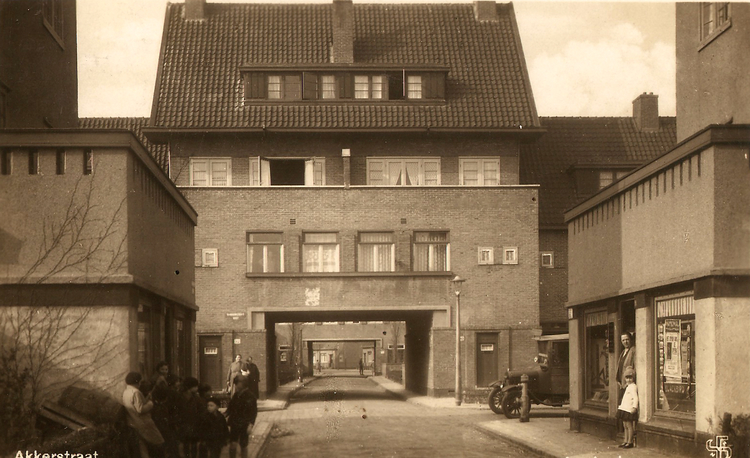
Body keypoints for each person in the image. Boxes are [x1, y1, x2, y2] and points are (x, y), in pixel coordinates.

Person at [122, 372, 164, 458]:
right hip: (144, 423)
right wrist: (150, 404)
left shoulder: (126, 392)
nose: (140, 383)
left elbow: (136, 405)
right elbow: (140, 409)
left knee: (142, 449)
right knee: (159, 442)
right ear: (137, 381)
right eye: (140, 381)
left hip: (133, 423)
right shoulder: (136, 392)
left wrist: (147, 398)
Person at [226, 375, 258, 458]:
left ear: (242, 384)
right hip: (234, 423)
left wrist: (251, 424)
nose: (235, 386)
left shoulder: (250, 396)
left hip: (244, 424)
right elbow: (230, 408)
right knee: (232, 444)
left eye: (237, 384)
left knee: (243, 445)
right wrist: (225, 415)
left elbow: (253, 412)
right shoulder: (236, 395)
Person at [178, 376, 205, 458]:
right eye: (195, 386)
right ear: (190, 387)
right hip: (187, 424)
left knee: (192, 444)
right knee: (188, 444)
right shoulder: (192, 398)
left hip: (193, 424)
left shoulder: (194, 398)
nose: (197, 388)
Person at [616, 367, 638, 449]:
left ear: (633, 378)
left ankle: (630, 441)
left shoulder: (633, 387)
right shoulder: (627, 386)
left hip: (629, 408)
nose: (628, 380)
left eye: (630, 378)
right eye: (627, 378)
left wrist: (634, 407)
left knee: (629, 425)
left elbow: (635, 398)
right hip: (624, 408)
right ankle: (625, 440)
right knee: (625, 425)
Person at [616, 332, 636, 399]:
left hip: (628, 383)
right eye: (623, 340)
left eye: (627, 339)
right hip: (622, 383)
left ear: (631, 339)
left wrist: (629, 381)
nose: (625, 342)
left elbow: (635, 367)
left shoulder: (633, 350)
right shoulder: (623, 352)